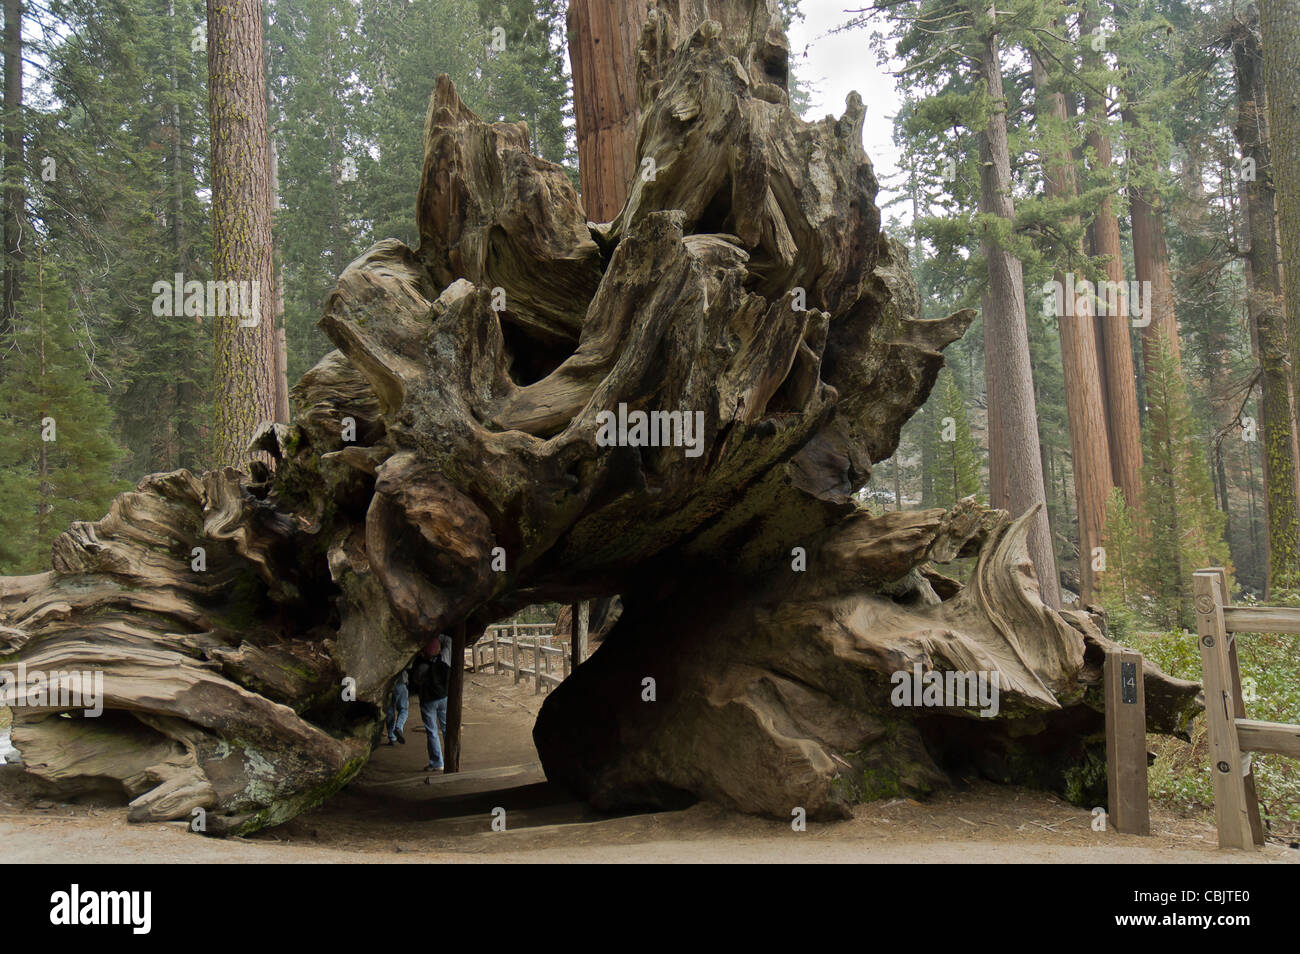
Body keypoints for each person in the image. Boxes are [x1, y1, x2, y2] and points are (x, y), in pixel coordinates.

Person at [409, 636, 451, 771]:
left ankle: (437, 762)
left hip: (428, 700)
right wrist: (437, 635)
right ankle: (451, 757)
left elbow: (415, 681)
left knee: (432, 731)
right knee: (446, 729)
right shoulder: (444, 658)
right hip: (443, 697)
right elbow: (449, 641)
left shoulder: (421, 666)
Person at [385, 665, 409, 745]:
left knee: (389, 711)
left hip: (387, 684)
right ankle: (399, 727)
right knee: (404, 709)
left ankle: (392, 737)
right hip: (400, 683)